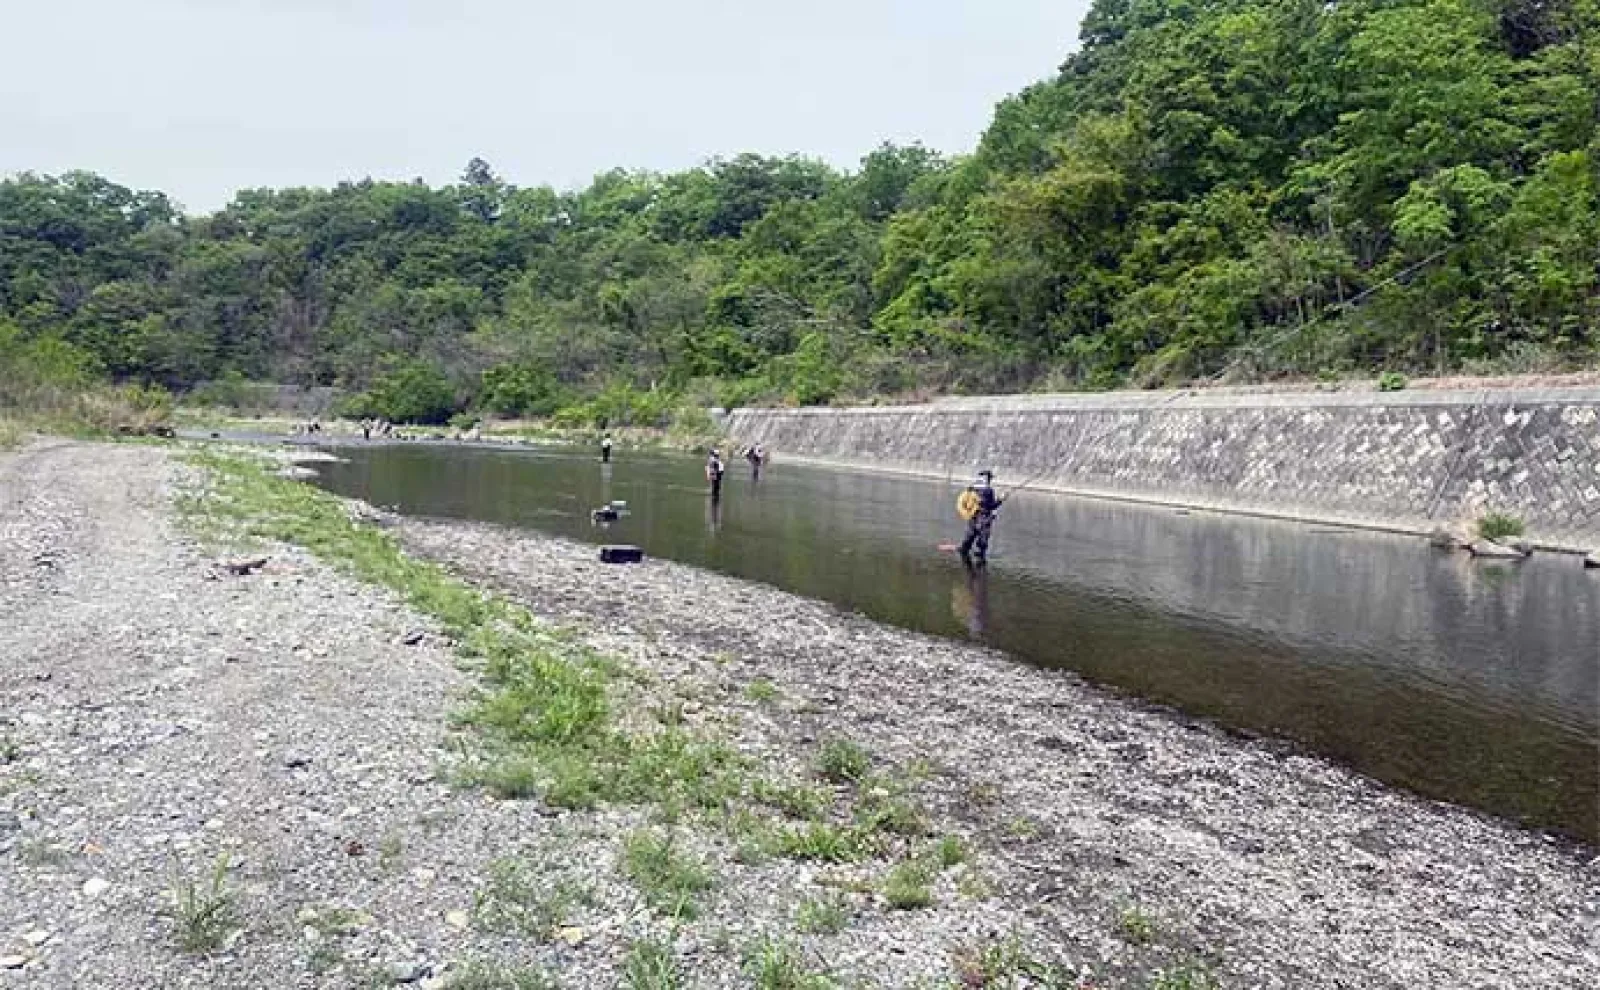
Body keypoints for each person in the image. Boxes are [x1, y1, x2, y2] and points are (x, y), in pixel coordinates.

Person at [958, 470, 1003, 565]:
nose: (990, 479)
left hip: (972, 516)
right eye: (989, 478)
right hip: (984, 517)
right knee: (983, 538)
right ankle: (980, 558)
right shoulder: (988, 490)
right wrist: (1000, 500)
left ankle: (964, 550)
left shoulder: (972, 488)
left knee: (970, 535)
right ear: (986, 478)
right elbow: (989, 506)